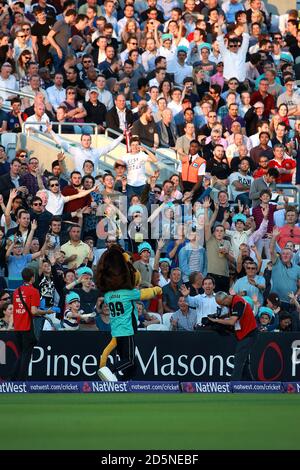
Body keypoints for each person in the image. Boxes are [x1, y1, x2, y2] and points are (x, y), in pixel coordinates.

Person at [95, 245, 161, 381]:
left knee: (133, 366)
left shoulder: (108, 295)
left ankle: (124, 383)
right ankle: (109, 370)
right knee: (129, 360)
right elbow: (144, 293)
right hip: (127, 330)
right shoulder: (127, 293)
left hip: (116, 330)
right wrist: (157, 290)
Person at [11, 267, 49, 380]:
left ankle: (13, 378)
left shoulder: (16, 291)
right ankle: (21, 380)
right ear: (32, 278)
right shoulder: (34, 291)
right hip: (28, 327)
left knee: (22, 354)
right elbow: (33, 311)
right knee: (26, 355)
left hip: (17, 326)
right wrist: (47, 311)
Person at [212, 292, 258, 381]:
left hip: (249, 333)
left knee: (238, 360)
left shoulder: (238, 302)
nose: (223, 306)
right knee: (243, 361)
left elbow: (232, 321)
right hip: (244, 334)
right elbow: (232, 316)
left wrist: (216, 320)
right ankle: (252, 384)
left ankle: (233, 384)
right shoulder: (232, 302)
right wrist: (220, 317)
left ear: (226, 299)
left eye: (222, 304)